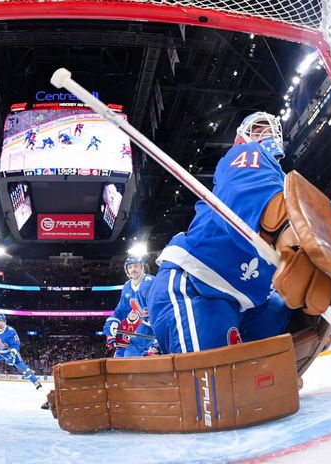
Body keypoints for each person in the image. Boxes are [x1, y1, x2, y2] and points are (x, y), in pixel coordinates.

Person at [147, 112, 292, 354]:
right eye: (258, 129)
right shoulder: (248, 154)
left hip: (245, 299)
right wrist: (288, 237)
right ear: (241, 137)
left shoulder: (285, 182)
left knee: (289, 308)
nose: (266, 134)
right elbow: (243, 199)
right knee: (213, 382)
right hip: (199, 283)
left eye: (270, 130)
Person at [102, 256, 157, 357]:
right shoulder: (127, 286)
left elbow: (161, 308)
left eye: (136, 266)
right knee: (130, 353)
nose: (133, 269)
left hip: (160, 323)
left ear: (142, 268)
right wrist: (113, 322)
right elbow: (121, 310)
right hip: (146, 325)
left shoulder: (150, 282)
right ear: (127, 270)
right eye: (130, 267)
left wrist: (159, 335)